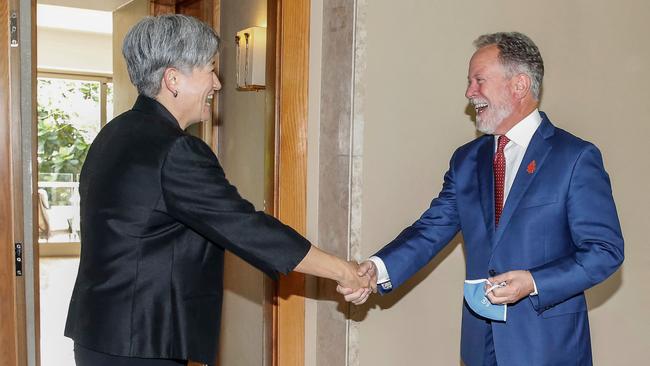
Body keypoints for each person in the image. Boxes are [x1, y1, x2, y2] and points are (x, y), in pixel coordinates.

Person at [65, 14, 371, 366]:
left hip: (98, 334)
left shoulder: (114, 134)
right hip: (142, 342)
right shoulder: (174, 149)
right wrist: (342, 270)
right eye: (210, 69)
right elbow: (246, 227)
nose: (218, 83)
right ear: (173, 79)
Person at [339, 32, 624, 365]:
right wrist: (375, 269)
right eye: (469, 82)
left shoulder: (574, 157)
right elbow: (430, 230)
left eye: (478, 80)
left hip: (547, 349)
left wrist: (533, 282)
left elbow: (605, 252)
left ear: (519, 85)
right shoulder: (467, 161)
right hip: (480, 348)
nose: (469, 92)